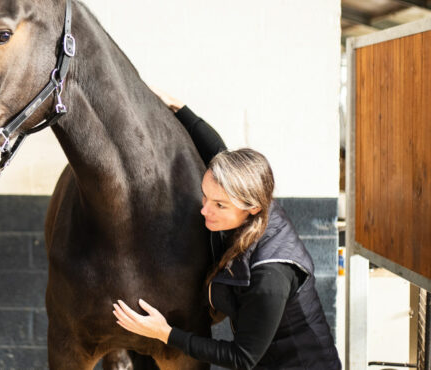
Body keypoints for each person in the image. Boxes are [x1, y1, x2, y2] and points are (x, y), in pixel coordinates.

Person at [112, 93, 341, 369]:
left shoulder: (271, 275)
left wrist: (164, 333)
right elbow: (218, 151)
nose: (205, 210)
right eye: (205, 197)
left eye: (219, 205)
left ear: (252, 207)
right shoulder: (257, 201)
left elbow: (242, 357)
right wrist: (180, 108)